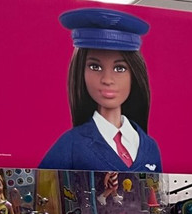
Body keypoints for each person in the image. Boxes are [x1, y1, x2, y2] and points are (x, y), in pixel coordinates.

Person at [42, 8, 163, 172]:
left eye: (120, 68)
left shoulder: (150, 147)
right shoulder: (71, 144)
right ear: (81, 72)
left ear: (134, 74)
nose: (107, 80)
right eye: (95, 67)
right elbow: (41, 185)